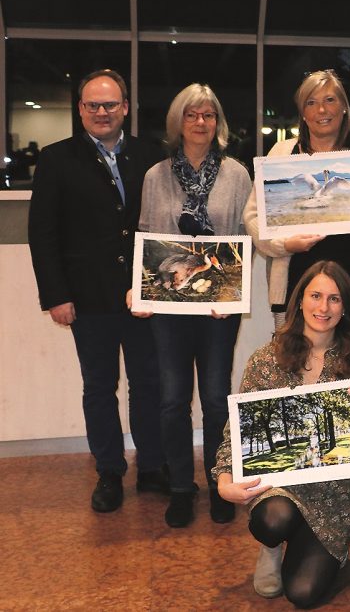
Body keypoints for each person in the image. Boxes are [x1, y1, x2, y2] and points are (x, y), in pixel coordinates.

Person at [28, 69, 169, 512]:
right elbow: (43, 234)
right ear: (81, 110)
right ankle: (109, 472)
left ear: (125, 107)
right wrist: (55, 295)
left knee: (149, 384)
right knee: (98, 387)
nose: (102, 112)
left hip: (144, 296)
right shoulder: (56, 159)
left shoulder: (153, 155)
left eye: (110, 104)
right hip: (86, 299)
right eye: (93, 105)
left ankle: (151, 467)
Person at [214, 261, 350, 608]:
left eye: (334, 299)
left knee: (303, 594)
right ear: (299, 301)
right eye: (315, 296)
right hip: (279, 485)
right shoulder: (266, 358)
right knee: (274, 520)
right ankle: (272, 546)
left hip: (334, 493)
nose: (323, 307)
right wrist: (224, 478)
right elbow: (238, 429)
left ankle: (328, 548)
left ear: (345, 305)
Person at [136, 83, 252, 528]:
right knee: (171, 401)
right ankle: (183, 488)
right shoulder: (155, 176)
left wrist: (234, 293)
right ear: (178, 122)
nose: (200, 122)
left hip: (217, 309)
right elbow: (146, 238)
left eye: (208, 115)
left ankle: (221, 483)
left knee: (217, 400)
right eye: (192, 115)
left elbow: (244, 243)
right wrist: (142, 291)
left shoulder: (238, 175)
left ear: (217, 122)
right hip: (168, 310)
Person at [245, 70, 350, 332]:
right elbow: (253, 216)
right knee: (292, 366)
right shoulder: (282, 154)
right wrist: (283, 244)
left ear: (343, 108)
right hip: (294, 283)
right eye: (311, 102)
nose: (321, 110)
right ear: (303, 114)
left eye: (330, 100)